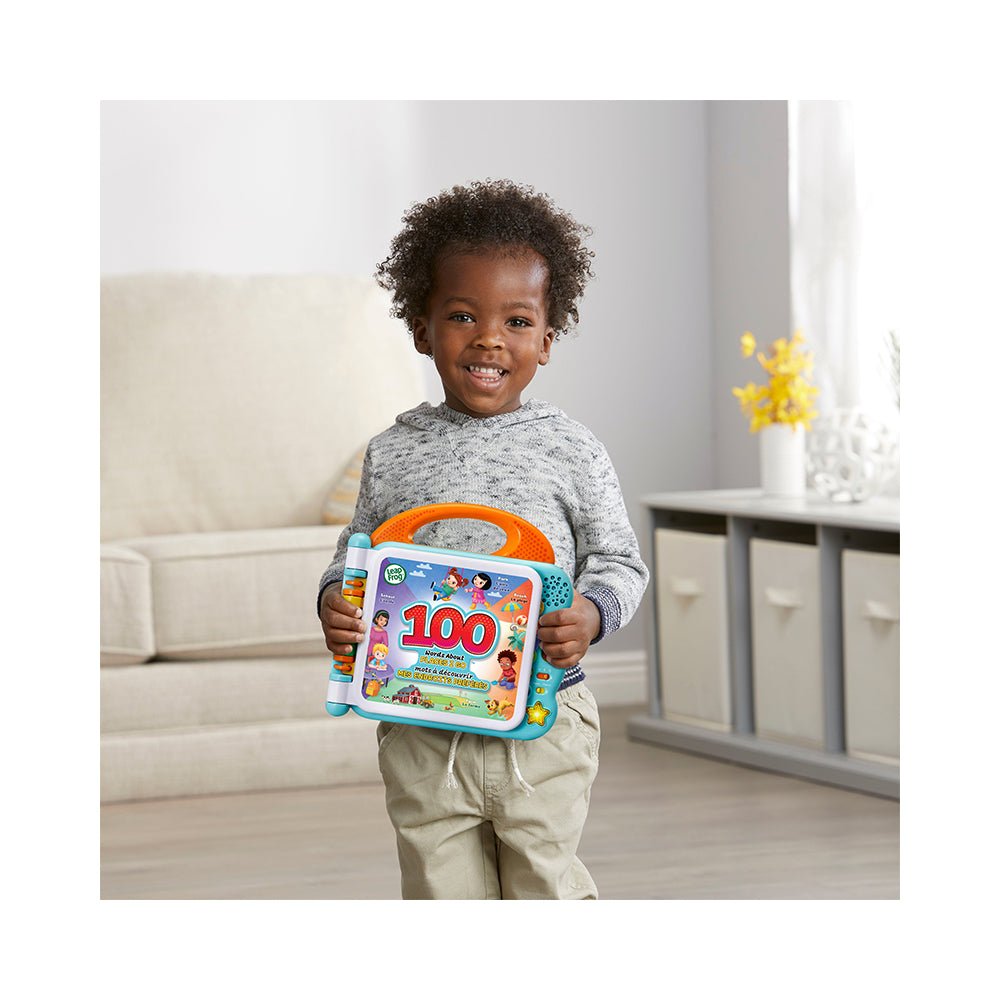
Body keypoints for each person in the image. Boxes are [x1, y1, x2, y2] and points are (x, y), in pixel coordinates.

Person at [317, 179, 649, 899]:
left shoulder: (572, 449)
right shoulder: (393, 451)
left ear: (547, 340)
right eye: (463, 315)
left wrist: (591, 614)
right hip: (420, 721)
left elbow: (620, 562)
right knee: (441, 891)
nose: (489, 338)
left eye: (517, 321)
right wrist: (335, 601)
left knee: (544, 887)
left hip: (542, 720)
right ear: (422, 330)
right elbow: (356, 556)